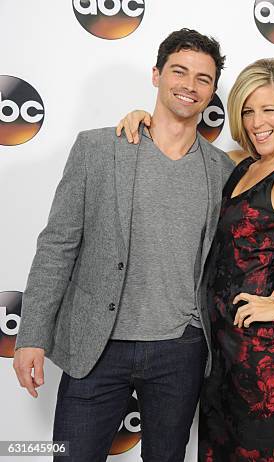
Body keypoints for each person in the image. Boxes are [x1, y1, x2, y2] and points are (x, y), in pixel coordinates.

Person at [13, 29, 234, 461]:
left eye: (203, 79)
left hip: (179, 350)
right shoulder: (97, 149)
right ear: (156, 75)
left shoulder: (222, 172)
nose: (189, 86)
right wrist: (31, 336)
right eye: (179, 71)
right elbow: (57, 246)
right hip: (97, 346)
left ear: (211, 93)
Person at [117, 58, 274, 461]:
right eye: (247, 110)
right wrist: (147, 120)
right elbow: (184, 150)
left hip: (265, 351)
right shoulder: (241, 163)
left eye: (268, 109)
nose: (257, 121)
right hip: (222, 349)